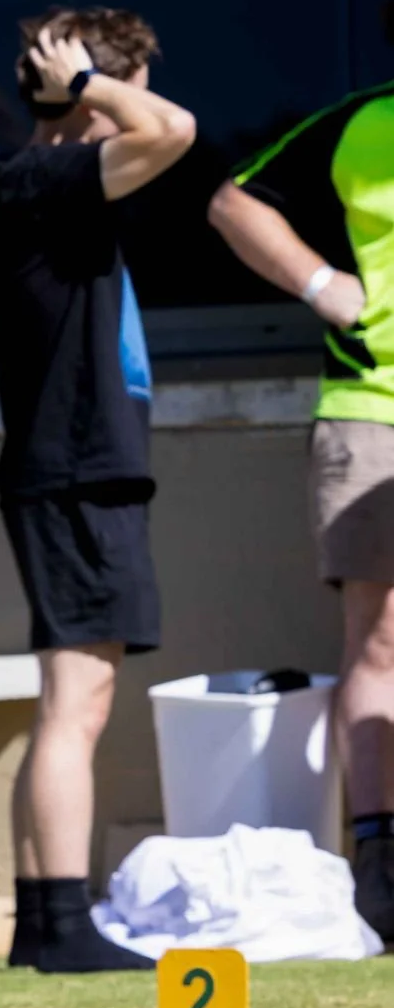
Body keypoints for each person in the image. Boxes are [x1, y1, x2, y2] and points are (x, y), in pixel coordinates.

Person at [0, 8, 197, 971]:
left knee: (68, 699)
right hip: (73, 473)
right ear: (73, 93)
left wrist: (90, 89)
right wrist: (87, 86)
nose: (130, 108)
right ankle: (62, 926)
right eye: (120, 88)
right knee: (79, 700)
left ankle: (42, 922)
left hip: (75, 470)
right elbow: (173, 132)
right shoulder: (38, 180)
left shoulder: (46, 188)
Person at [206, 88, 394, 946]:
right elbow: (232, 200)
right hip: (374, 409)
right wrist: (323, 284)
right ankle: (381, 863)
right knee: (381, 638)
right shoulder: (362, 121)